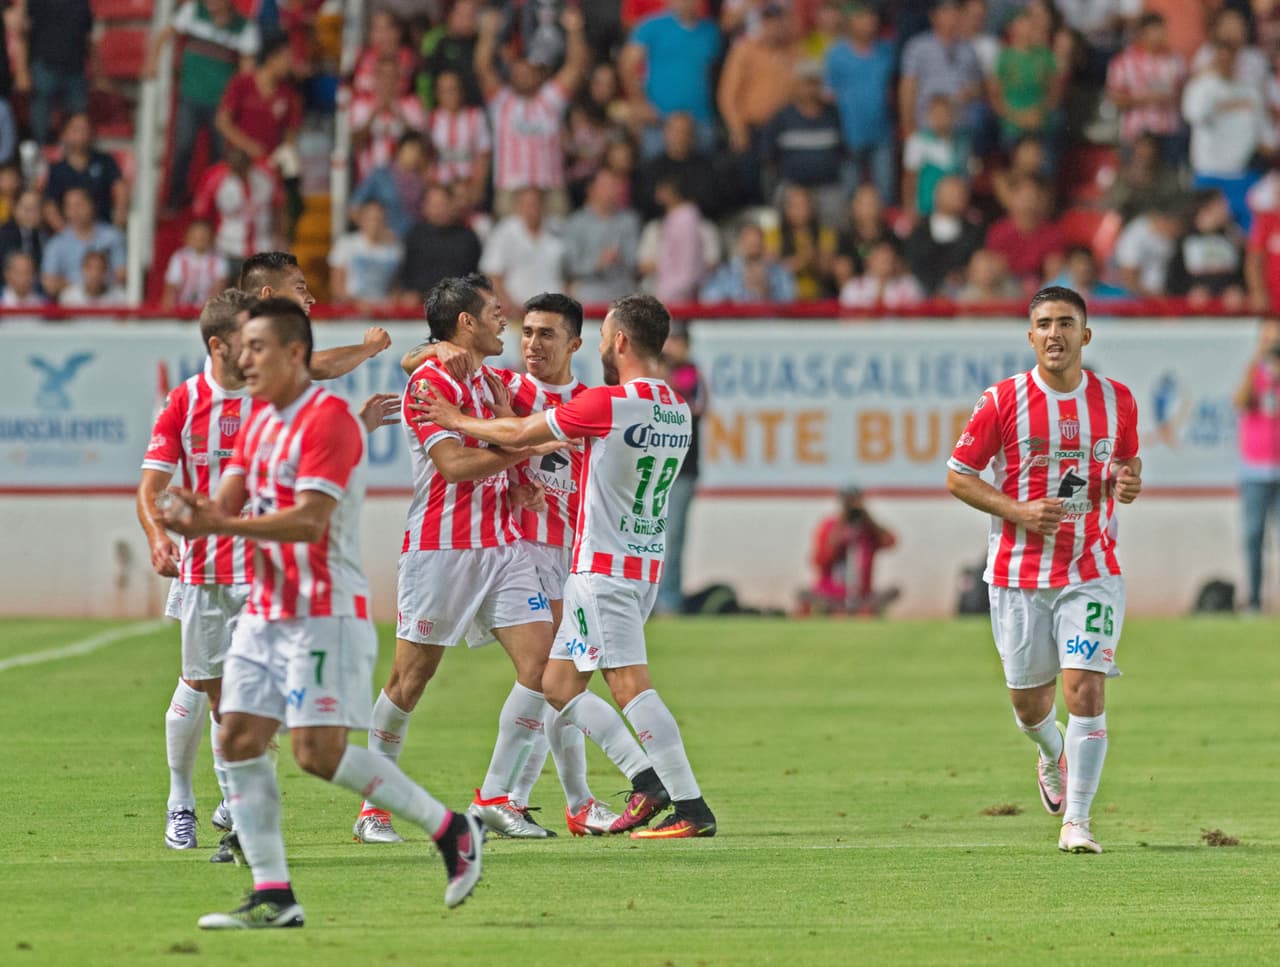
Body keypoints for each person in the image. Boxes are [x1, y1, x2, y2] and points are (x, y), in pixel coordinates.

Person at [158, 297, 483, 927]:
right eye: (240, 348)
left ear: (295, 354)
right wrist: (190, 512)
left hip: (322, 611)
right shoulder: (258, 420)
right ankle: (273, 893)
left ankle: (450, 829)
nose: (242, 359)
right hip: (264, 609)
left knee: (317, 753)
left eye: (256, 348)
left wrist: (216, 520)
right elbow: (227, 495)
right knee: (239, 735)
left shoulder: (327, 420)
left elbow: (309, 521)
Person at [416, 293, 717, 839]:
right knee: (555, 682)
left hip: (601, 569)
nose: (603, 345)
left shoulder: (608, 404)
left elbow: (520, 434)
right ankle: (517, 796)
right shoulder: (676, 406)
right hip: (642, 560)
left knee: (629, 685)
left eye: (604, 337)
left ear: (619, 342)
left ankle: (682, 802)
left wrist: (456, 419)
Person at [137, 288, 397, 862]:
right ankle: (187, 802)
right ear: (224, 344)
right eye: (247, 345)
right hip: (205, 571)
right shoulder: (185, 401)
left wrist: (216, 520)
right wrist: (167, 530)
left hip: (270, 579)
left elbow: (308, 460)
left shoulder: (276, 406)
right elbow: (162, 489)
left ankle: (239, 822)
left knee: (263, 720)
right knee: (208, 693)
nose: (255, 357)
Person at [355, 274, 573, 843]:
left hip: (501, 548)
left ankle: (496, 798)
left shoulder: (484, 378)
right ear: (466, 323)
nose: (507, 322)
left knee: (543, 666)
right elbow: (452, 465)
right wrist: (520, 450)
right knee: (409, 680)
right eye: (495, 312)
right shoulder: (431, 382)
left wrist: (516, 468)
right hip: (441, 551)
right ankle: (372, 809)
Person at [401, 292, 624, 835]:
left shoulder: (591, 400)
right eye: (526, 332)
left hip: (568, 550)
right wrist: (428, 351)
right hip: (515, 547)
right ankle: (546, 799)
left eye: (546, 334)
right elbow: (426, 359)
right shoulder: (510, 387)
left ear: (574, 343)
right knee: (556, 674)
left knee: (560, 677)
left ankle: (539, 799)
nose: (531, 343)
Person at [947, 285, 1143, 854]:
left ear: (1085, 334)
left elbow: (1126, 464)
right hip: (1018, 575)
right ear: (1030, 336)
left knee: (1084, 687)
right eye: (1043, 323)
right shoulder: (1002, 401)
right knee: (1031, 707)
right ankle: (1050, 752)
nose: (1054, 333)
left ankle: (1077, 822)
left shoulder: (1117, 399)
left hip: (1092, 567)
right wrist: (1019, 511)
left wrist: (1128, 483)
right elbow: (959, 475)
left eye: (1065, 322)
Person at [476, 5, 589, 218]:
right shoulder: (502, 102)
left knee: (556, 247)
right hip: (511, 188)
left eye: (529, 73)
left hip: (550, 187)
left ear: (539, 76)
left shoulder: (551, 100)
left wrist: (574, 32)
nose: (524, 77)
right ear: (511, 77)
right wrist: (487, 34)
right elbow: (483, 68)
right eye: (518, 73)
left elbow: (575, 66)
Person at [147, 0, 261, 210]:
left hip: (221, 103)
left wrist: (241, 99)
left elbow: (247, 70)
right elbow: (164, 35)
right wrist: (153, 63)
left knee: (218, 155)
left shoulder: (244, 27)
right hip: (190, 95)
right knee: (183, 146)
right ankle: (175, 199)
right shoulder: (193, 10)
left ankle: (212, 202)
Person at [621, 0, 723, 158]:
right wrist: (640, 102)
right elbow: (627, 65)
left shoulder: (711, 32)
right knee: (657, 174)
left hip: (701, 118)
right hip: (660, 120)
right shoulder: (652, 26)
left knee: (701, 175)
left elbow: (716, 73)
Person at [824, 0, 896, 205]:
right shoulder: (837, 54)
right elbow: (829, 95)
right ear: (851, 20)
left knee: (885, 192)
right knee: (850, 192)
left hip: (882, 134)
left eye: (873, 16)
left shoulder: (887, 51)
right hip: (849, 136)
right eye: (864, 16)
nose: (870, 21)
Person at [656, 322, 705, 615]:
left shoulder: (691, 374)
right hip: (652, 466)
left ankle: (669, 600)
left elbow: (694, 407)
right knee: (647, 535)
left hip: (683, 467)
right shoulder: (653, 373)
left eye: (677, 341)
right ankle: (647, 598)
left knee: (673, 536)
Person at [1232, 317, 1280, 614]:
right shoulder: (1254, 373)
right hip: (1255, 469)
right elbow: (1239, 401)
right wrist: (1257, 363)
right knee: (1253, 536)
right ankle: (1254, 601)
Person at [802, 486, 899, 616]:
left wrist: (869, 519)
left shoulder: (868, 528)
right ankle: (839, 609)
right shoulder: (829, 525)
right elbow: (818, 561)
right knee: (805, 594)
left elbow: (890, 542)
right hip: (832, 592)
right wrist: (840, 528)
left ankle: (862, 608)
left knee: (893, 591)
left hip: (863, 593)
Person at [480, 187, 567, 310]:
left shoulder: (557, 230)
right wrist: (510, 306)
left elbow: (567, 275)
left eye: (535, 203)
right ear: (517, 206)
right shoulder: (504, 232)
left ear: (543, 205)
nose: (531, 209)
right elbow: (493, 275)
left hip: (553, 311)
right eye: (526, 204)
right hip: (516, 313)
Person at [562, 169, 641, 304]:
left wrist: (621, 257)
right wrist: (597, 263)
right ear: (591, 190)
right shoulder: (576, 222)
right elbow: (571, 266)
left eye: (614, 186)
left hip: (622, 291)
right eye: (606, 186)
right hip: (589, 291)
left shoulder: (629, 220)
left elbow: (635, 264)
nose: (612, 191)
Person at [397, 183, 483, 306]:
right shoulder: (414, 236)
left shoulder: (468, 238)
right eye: (434, 205)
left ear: (452, 205)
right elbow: (405, 274)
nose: (439, 210)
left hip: (457, 305)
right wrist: (407, 293)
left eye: (443, 204)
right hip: (419, 304)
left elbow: (475, 277)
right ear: (425, 208)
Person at [25, 0, 93, 148]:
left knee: (78, 120)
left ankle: (72, 163)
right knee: (40, 123)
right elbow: (24, 29)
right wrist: (23, 70)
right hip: (44, 65)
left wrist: (97, 72)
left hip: (76, 70)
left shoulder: (82, 3)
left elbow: (88, 37)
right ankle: (40, 156)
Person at [42, 114, 128, 231]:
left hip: (103, 229)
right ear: (65, 134)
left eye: (85, 129)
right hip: (70, 232)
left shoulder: (105, 161)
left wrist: (118, 220)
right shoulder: (57, 169)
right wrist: (67, 235)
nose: (82, 134)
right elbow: (50, 206)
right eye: (76, 129)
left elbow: (120, 190)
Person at [40, 188, 127, 301]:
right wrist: (81, 287)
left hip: (108, 298)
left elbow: (121, 274)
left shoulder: (113, 236)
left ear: (91, 205)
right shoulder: (56, 243)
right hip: (72, 302)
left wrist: (96, 282)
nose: (75, 211)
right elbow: (49, 284)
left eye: (79, 205)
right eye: (69, 207)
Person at [328, 199, 404, 309]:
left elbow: (395, 285)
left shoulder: (395, 249)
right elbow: (336, 286)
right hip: (349, 313)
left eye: (379, 219)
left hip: (384, 312)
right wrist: (355, 304)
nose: (374, 224)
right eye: (370, 219)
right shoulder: (346, 244)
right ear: (361, 220)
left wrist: (394, 300)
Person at [163, 219, 229, 310]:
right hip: (181, 308)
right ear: (187, 238)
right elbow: (171, 288)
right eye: (195, 237)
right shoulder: (179, 257)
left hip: (208, 309)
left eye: (203, 237)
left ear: (211, 238)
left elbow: (219, 287)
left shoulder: (218, 258)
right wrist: (168, 310)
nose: (199, 240)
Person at [58, 251, 128, 308]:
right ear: (82, 269)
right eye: (89, 268)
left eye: (99, 268)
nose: (95, 274)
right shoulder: (69, 297)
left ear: (106, 271)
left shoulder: (119, 297)